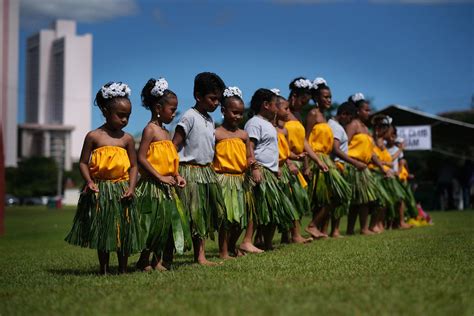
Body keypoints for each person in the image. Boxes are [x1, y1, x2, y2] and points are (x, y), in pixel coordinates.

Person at [65, 82, 141, 274]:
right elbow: (83, 162)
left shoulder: (127, 139)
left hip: (123, 189)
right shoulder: (93, 136)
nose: (125, 120)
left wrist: (131, 188)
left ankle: (123, 268)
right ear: (106, 111)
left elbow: (134, 166)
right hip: (101, 189)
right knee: (104, 230)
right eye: (120, 115)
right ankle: (104, 269)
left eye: (128, 116)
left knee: (124, 230)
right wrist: (89, 181)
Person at [135, 78, 191, 271]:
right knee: (152, 224)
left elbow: (169, 158)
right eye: (172, 109)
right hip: (153, 185)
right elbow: (141, 158)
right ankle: (144, 260)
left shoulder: (166, 132)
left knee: (166, 225)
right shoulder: (150, 130)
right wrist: (159, 177)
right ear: (158, 107)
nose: (174, 113)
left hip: (168, 184)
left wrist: (177, 175)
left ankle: (157, 261)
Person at [172, 72, 226, 266]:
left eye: (218, 99)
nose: (216, 103)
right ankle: (166, 257)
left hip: (206, 171)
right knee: (190, 214)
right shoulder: (189, 117)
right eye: (212, 98)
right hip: (189, 172)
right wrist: (173, 172)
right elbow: (174, 146)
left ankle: (200, 256)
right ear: (198, 96)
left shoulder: (211, 120)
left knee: (202, 214)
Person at [244, 88, 299, 250]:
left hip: (272, 171)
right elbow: (250, 148)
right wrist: (254, 168)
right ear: (266, 105)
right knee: (258, 208)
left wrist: (276, 168)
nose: (277, 107)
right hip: (260, 170)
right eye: (276, 104)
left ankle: (267, 243)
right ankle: (247, 242)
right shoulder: (254, 123)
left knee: (273, 209)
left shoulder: (268, 124)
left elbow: (271, 149)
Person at [213, 86, 263, 258]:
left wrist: (254, 167)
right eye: (234, 112)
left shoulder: (243, 134)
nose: (238, 117)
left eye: (241, 113)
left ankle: (233, 245)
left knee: (241, 219)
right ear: (223, 111)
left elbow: (249, 155)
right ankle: (223, 252)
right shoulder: (216, 133)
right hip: (223, 179)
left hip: (242, 179)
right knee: (226, 219)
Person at [304, 78, 350, 239]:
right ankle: (312, 225)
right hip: (316, 159)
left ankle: (316, 227)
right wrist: (307, 165)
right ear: (316, 98)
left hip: (326, 160)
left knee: (332, 195)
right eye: (325, 97)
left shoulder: (325, 117)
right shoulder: (313, 114)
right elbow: (306, 140)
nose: (329, 100)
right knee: (330, 195)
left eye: (330, 97)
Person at [345, 93, 388, 235]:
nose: (369, 112)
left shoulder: (366, 128)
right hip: (354, 166)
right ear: (358, 110)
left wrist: (382, 167)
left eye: (369, 110)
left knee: (365, 200)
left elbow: (372, 153)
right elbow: (344, 146)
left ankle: (360, 229)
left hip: (364, 167)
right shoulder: (353, 125)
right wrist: (351, 162)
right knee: (359, 201)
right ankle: (358, 229)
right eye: (366, 110)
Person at [274, 93, 311, 243]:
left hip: (291, 164)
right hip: (280, 167)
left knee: (296, 199)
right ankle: (292, 235)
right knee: (289, 201)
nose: (288, 112)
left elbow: (287, 149)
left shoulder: (284, 129)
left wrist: (297, 158)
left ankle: (291, 235)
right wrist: (289, 162)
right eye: (285, 108)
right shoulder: (272, 128)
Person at [328, 101, 367, 237]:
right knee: (337, 199)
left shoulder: (334, 125)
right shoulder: (337, 128)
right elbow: (336, 149)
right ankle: (332, 230)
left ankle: (333, 230)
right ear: (344, 114)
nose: (350, 121)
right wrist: (355, 163)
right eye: (350, 118)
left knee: (338, 199)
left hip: (339, 166)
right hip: (338, 165)